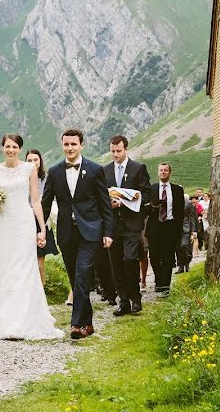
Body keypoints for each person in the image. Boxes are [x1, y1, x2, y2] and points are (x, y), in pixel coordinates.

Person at [0, 134, 63, 340]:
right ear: (2, 148)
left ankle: (25, 320)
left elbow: (36, 200)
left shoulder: (29, 169)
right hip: (4, 224)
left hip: (23, 222)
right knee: (7, 269)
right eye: (7, 146)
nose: (10, 150)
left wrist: (41, 228)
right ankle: (7, 323)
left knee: (25, 269)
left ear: (20, 149)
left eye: (14, 146)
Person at [42, 128, 113, 339]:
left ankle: (76, 324)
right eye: (66, 144)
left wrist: (108, 232)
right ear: (62, 145)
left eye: (74, 144)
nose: (70, 148)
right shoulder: (54, 172)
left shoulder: (95, 169)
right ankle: (88, 324)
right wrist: (38, 229)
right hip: (65, 233)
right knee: (75, 279)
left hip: (90, 231)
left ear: (81, 145)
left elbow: (105, 204)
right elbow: (45, 204)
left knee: (82, 276)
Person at [102, 134, 151, 316]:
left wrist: (125, 201)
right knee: (115, 264)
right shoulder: (104, 170)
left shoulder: (138, 168)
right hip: (112, 225)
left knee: (130, 259)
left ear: (126, 149)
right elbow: (100, 196)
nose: (115, 154)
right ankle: (123, 301)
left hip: (131, 223)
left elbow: (146, 195)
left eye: (119, 151)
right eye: (112, 151)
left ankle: (135, 297)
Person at [145, 163, 185, 296]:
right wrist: (152, 206)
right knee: (155, 257)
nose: (163, 172)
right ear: (158, 173)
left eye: (166, 170)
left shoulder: (177, 190)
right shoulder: (151, 189)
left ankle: (165, 286)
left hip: (170, 226)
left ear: (170, 173)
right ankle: (158, 280)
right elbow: (144, 209)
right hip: (155, 227)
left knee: (168, 257)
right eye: (161, 170)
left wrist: (179, 230)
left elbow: (180, 212)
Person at [25, 149, 59, 285]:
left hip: (42, 221)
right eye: (29, 160)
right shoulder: (23, 178)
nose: (33, 163)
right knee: (27, 261)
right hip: (26, 220)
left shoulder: (46, 178)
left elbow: (52, 198)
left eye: (35, 160)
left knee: (40, 261)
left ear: (40, 161)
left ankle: (41, 291)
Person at [176, 194, 199, 273]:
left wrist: (194, 230)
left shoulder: (188, 203)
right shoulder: (172, 201)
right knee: (178, 248)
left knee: (184, 246)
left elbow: (193, 217)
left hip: (186, 228)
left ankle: (187, 264)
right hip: (176, 229)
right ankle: (181, 267)